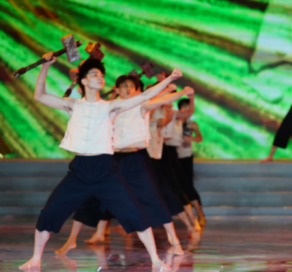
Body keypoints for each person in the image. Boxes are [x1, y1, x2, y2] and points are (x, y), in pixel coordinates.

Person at [20, 53, 183, 271]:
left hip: (106, 170)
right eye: (95, 74)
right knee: (50, 213)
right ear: (83, 80)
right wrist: (45, 67)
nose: (100, 78)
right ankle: (35, 259)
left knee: (135, 213)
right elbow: (39, 96)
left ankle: (156, 260)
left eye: (102, 75)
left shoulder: (110, 106)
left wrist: (170, 79)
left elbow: (145, 96)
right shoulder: (72, 105)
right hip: (79, 171)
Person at [55, 74, 195, 255]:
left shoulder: (141, 105)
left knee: (152, 199)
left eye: (131, 86)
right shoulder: (108, 106)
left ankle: (174, 241)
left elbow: (162, 99)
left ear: (136, 90)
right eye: (124, 86)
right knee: (93, 198)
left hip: (134, 159)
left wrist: (181, 92)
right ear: (117, 89)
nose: (128, 89)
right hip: (110, 159)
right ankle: (72, 240)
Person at [176, 98, 206, 227]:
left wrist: (191, 138)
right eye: (186, 108)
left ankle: (200, 214)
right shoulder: (174, 121)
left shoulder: (192, 124)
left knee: (188, 185)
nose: (188, 111)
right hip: (173, 156)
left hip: (186, 156)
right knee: (180, 186)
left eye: (190, 108)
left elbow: (200, 137)